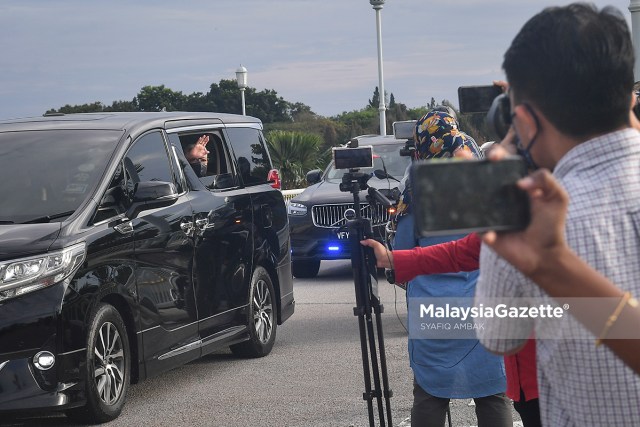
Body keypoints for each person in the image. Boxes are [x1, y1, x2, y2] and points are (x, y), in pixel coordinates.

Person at [472, 4, 640, 425]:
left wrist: (504, 188)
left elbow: (498, 336)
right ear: (629, 95)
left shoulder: (535, 224)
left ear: (524, 120)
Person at [391, 110, 511, 427]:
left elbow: (400, 256)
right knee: (493, 393)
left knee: (430, 395)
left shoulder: (415, 193)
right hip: (485, 304)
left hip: (432, 307)